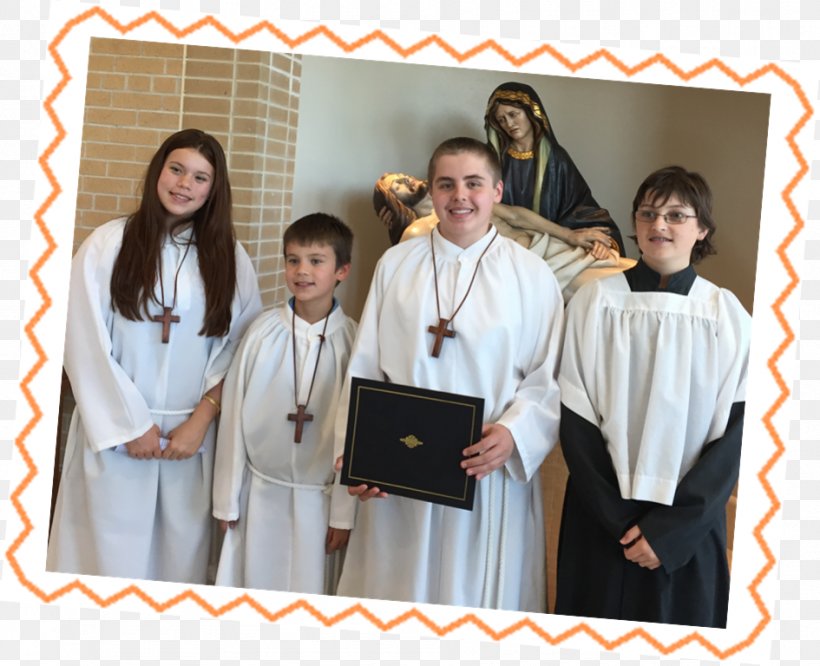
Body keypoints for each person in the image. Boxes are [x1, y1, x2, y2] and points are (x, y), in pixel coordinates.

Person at [333, 137, 563, 611]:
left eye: (473, 183)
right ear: (431, 193)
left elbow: (549, 375)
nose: (460, 196)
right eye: (446, 184)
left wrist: (515, 435)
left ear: (497, 191)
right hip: (399, 478)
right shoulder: (396, 263)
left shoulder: (532, 275)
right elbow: (366, 366)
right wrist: (359, 455)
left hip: (483, 471)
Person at [46, 129, 263, 583]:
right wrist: (130, 424)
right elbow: (81, 338)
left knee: (176, 568)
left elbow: (240, 348)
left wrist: (201, 420)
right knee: (103, 565)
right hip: (116, 441)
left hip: (188, 444)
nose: (185, 184)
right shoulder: (107, 245)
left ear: (214, 190)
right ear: (158, 171)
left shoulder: (230, 258)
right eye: (177, 169)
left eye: (201, 178)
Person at [554, 166, 750, 627]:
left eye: (677, 215)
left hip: (687, 527)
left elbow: (739, 434)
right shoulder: (594, 301)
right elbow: (575, 417)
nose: (659, 225)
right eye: (648, 213)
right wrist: (619, 521)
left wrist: (672, 532)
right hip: (601, 516)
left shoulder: (725, 314)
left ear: (701, 228)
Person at [212, 213, 357, 594]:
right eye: (292, 259)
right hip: (259, 496)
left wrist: (343, 514)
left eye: (315, 260)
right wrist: (227, 501)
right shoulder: (261, 333)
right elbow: (232, 420)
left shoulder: (354, 343)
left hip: (321, 504)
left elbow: (356, 438)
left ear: (342, 270)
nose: (301, 271)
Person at [373, 172, 635, 301]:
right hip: (532, 269)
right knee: (615, 288)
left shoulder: (465, 200)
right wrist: (396, 231)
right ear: (394, 202)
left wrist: (569, 235)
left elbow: (515, 216)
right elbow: (412, 279)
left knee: (625, 267)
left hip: (547, 245)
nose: (407, 180)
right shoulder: (419, 230)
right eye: (398, 185)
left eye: (404, 176)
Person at [484, 81, 626, 255]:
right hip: (508, 237)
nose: (509, 124)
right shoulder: (491, 159)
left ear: (531, 112)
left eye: (514, 114)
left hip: (552, 237)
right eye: (502, 120)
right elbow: (501, 212)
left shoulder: (555, 159)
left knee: (597, 256)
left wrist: (600, 239)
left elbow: (580, 205)